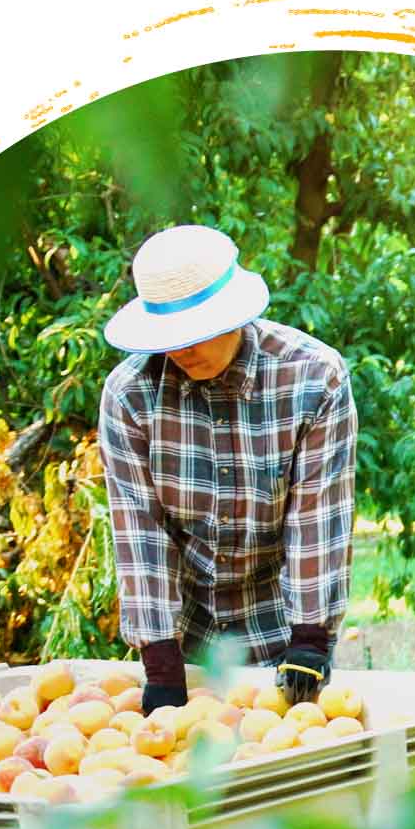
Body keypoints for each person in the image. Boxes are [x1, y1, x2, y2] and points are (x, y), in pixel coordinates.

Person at [98, 224, 358, 712]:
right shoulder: (130, 394)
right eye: (168, 336)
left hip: (283, 620)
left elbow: (318, 515)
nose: (182, 349)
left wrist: (310, 637)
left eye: (195, 331)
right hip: (185, 631)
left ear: (234, 315)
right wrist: (161, 664)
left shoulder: (313, 377)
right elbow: (140, 532)